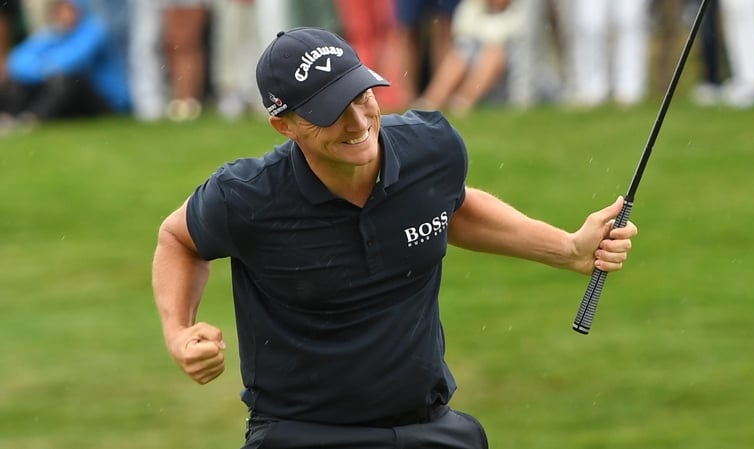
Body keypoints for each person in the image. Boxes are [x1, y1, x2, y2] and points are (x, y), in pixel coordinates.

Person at [151, 27, 638, 449]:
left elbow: (450, 205)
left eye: (361, 95)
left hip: (428, 428)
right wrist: (178, 331)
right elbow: (178, 238)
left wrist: (568, 249)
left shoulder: (432, 148)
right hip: (303, 434)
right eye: (330, 111)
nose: (360, 123)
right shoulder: (246, 197)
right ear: (285, 125)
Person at [0, 0, 130, 129]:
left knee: (68, 80)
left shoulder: (94, 30)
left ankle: (32, 119)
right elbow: (17, 61)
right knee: (19, 82)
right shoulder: (53, 34)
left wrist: (42, 66)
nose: (63, 15)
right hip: (74, 102)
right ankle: (11, 116)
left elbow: (71, 63)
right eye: (59, 11)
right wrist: (44, 68)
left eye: (68, 10)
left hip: (105, 101)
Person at [413, 0, 527, 115]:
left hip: (510, 77)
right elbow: (462, 31)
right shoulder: (474, 6)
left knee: (493, 53)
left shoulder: (522, 10)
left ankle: (463, 102)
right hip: (477, 64)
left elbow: (499, 36)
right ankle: (431, 102)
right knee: (460, 53)